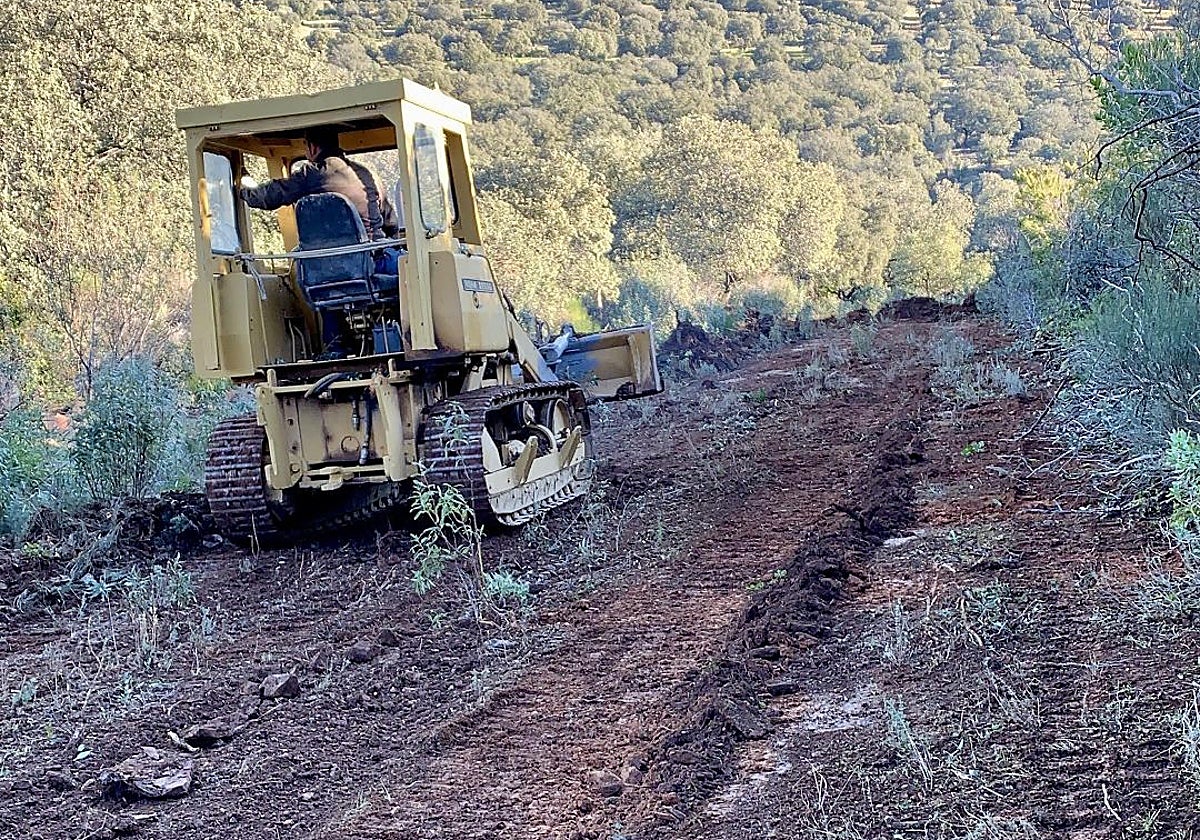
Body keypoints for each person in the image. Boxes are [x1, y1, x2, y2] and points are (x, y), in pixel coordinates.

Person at [240, 127, 400, 243]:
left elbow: (272, 196)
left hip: (326, 269)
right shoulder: (368, 176)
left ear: (312, 147)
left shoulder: (313, 174)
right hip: (373, 260)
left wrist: (245, 191)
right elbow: (391, 224)